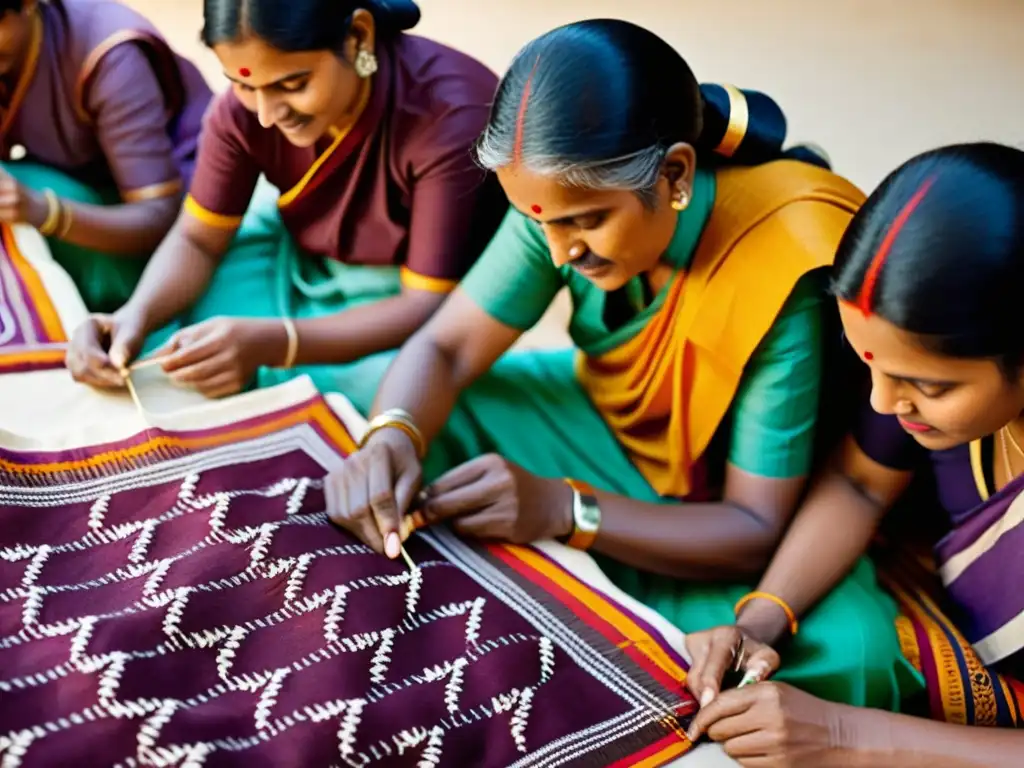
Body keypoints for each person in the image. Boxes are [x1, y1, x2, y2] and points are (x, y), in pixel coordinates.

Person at [321, 18, 913, 713]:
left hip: (728, 511)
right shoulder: (557, 199)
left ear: (676, 175)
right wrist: (393, 433)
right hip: (600, 427)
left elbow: (752, 527)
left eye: (586, 223)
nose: (559, 249)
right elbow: (447, 348)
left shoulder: (781, 264)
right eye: (540, 224)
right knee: (370, 397)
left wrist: (565, 510)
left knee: (852, 652)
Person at [683, 142, 1024, 766]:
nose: (884, 401)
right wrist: (761, 621)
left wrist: (847, 737)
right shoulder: (914, 379)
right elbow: (860, 482)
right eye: (870, 364)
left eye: (929, 386)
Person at [64, 0, 506, 413]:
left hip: (412, 300)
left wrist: (280, 343)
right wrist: (132, 317)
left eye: (292, 85)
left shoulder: (449, 117)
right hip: (295, 256)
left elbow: (424, 304)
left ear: (359, 37)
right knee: (179, 341)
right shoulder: (241, 112)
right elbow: (198, 239)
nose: (266, 114)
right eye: (241, 84)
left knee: (380, 397)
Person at [0, 0, 212, 312]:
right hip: (72, 194)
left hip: (166, 244)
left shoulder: (111, 57)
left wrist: (43, 211)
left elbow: (159, 216)